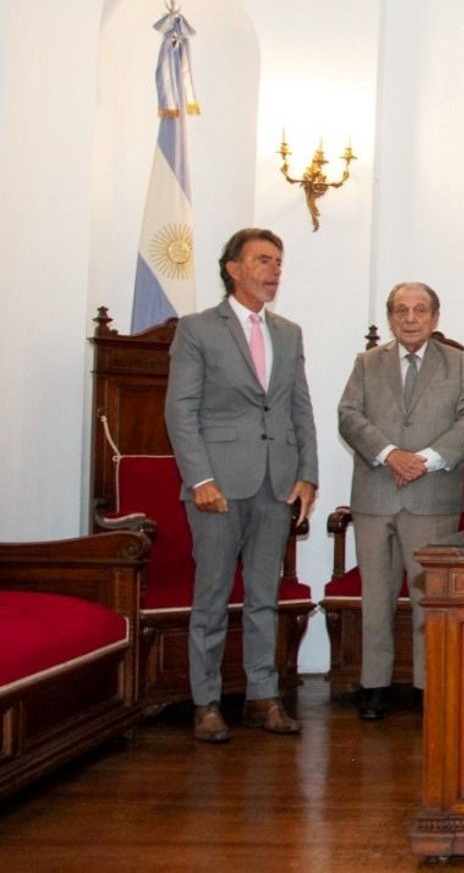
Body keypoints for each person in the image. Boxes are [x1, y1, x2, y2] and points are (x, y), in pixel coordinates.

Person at [165, 228, 318, 743]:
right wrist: (200, 478)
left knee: (263, 598)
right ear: (233, 268)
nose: (274, 271)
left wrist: (308, 476)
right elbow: (180, 411)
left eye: (279, 262)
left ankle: (263, 698)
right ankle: (206, 703)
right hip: (219, 486)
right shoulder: (198, 329)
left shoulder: (289, 332)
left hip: (277, 484)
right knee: (211, 598)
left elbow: (300, 406)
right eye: (263, 261)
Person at [337, 282, 464, 721]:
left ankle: (427, 686)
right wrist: (389, 455)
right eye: (402, 310)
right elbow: (349, 415)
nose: (411, 318)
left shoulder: (457, 363)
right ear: (391, 317)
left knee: (429, 600)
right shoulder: (367, 363)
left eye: (420, 310)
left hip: (433, 496)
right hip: (376, 495)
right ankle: (374, 685)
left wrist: (424, 460)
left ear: (435, 318)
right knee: (375, 596)